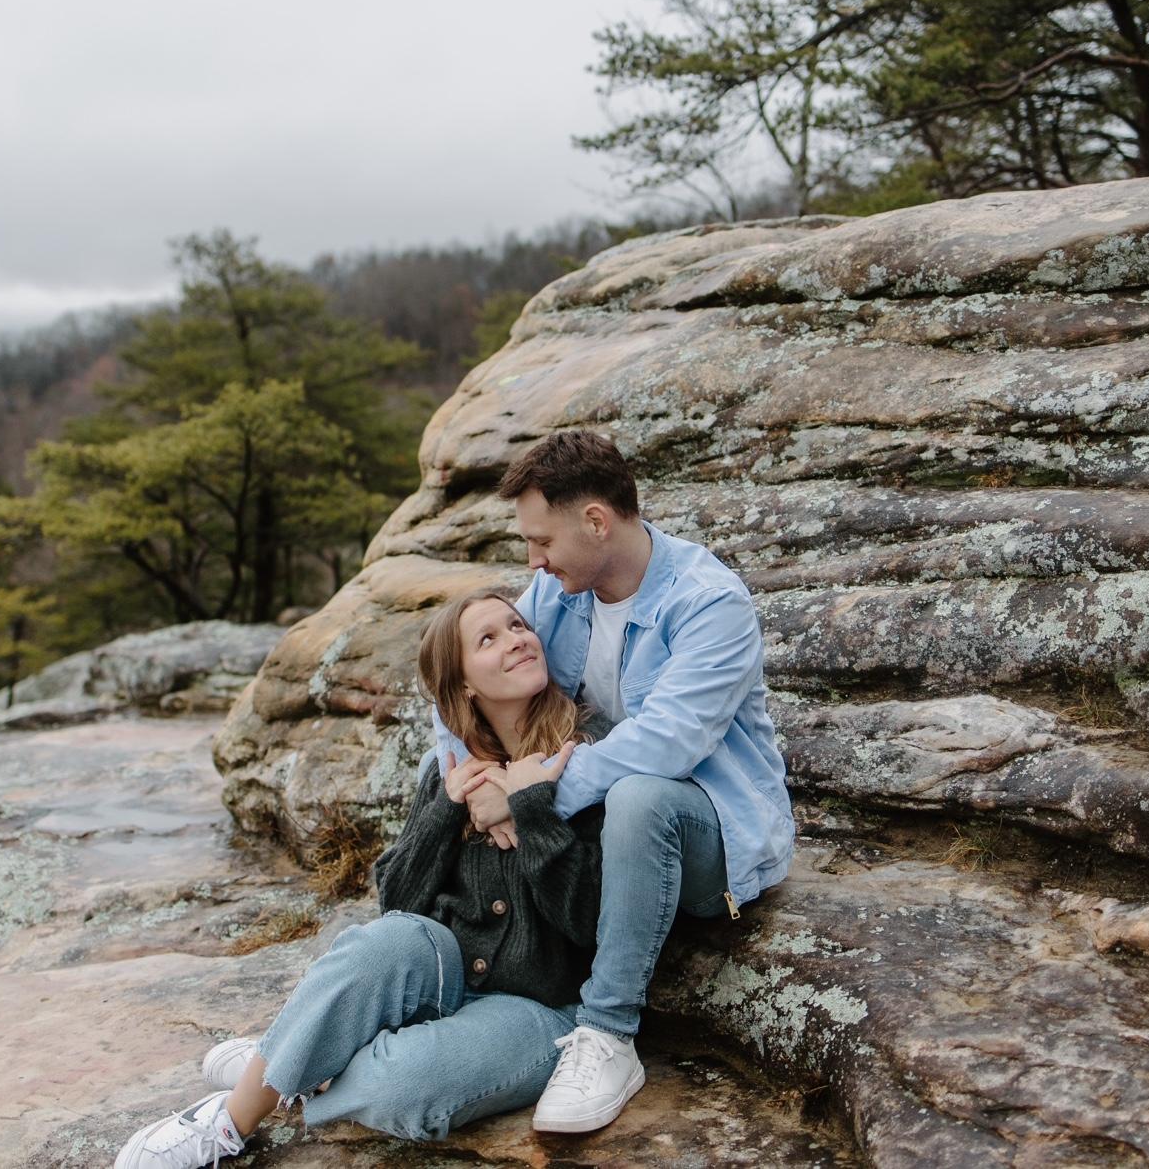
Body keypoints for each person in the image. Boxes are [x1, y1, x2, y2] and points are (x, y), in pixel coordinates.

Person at [115, 592, 605, 1169]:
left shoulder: (590, 753)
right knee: (382, 943)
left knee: (402, 1086)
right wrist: (444, 811)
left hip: (540, 1008)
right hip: (443, 973)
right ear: (463, 685)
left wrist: (534, 811)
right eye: (488, 638)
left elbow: (590, 921)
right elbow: (397, 904)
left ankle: (287, 1060)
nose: (517, 639)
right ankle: (230, 1121)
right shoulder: (450, 766)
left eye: (518, 625)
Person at [435, 430, 794, 1134]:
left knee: (639, 797)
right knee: (441, 772)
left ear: (596, 521)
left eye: (542, 541)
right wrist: (474, 776)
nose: (533, 562)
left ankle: (607, 1034)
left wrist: (531, 796)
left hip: (707, 834)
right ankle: (399, 985)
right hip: (599, 834)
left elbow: (668, 743)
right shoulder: (558, 590)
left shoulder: (708, 602)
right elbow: (462, 678)